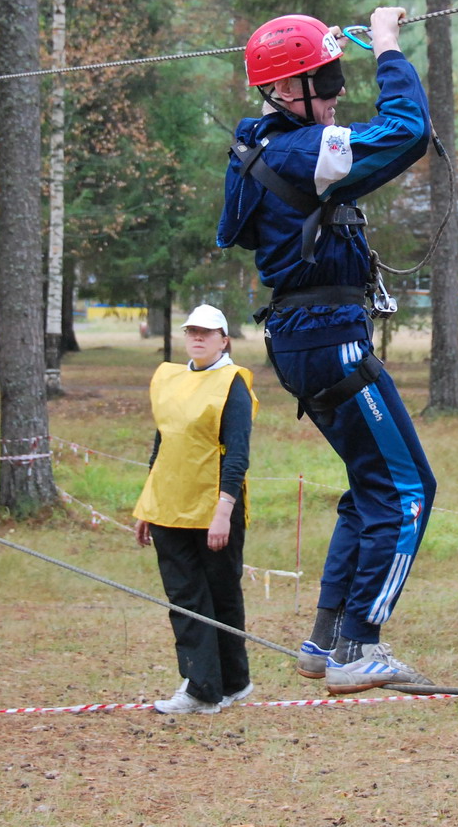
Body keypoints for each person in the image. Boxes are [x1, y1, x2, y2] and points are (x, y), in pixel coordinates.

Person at [217, 6, 437, 694]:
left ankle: (326, 639)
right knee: (408, 491)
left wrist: (323, 46)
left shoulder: (259, 144)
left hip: (303, 342)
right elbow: (408, 133)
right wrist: (391, 48)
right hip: (329, 342)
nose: (340, 91)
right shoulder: (303, 153)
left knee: (368, 488)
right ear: (286, 93)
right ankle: (359, 646)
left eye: (338, 75)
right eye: (327, 79)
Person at [133, 305, 259, 715]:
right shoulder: (169, 378)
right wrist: (146, 505)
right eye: (192, 331)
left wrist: (224, 510)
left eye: (207, 332)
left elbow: (237, 454)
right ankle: (203, 688)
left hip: (213, 508)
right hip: (169, 506)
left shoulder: (232, 383)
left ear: (225, 339)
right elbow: (162, 445)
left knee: (222, 594)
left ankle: (233, 682)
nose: (198, 338)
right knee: (186, 596)